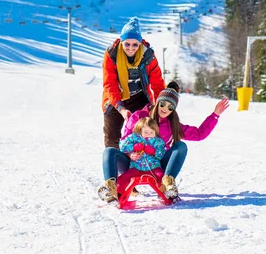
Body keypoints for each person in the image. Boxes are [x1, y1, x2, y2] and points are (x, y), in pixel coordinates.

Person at [98, 81, 229, 203]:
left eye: (170, 107)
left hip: (157, 165)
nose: (165, 109)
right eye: (163, 104)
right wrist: (130, 153)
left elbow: (199, 134)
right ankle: (111, 188)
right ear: (158, 102)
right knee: (109, 151)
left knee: (181, 146)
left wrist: (215, 115)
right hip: (133, 163)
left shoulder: (172, 125)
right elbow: (125, 141)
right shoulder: (138, 116)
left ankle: (167, 185)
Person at [102, 16, 165, 149]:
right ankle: (115, 165)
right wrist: (121, 108)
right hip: (115, 99)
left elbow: (157, 83)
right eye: (127, 44)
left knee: (143, 133)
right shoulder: (111, 55)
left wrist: (162, 106)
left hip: (140, 97)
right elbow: (110, 83)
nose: (131, 48)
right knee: (112, 137)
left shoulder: (148, 56)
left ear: (140, 43)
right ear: (121, 41)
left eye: (135, 44)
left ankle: (139, 165)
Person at [115, 117, 165, 197]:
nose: (149, 134)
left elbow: (161, 154)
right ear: (140, 130)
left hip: (153, 168)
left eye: (152, 132)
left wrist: (153, 151)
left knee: (161, 175)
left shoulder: (158, 141)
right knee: (124, 177)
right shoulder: (134, 138)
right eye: (146, 132)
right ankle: (118, 193)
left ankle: (164, 192)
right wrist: (133, 147)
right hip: (136, 168)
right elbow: (123, 146)